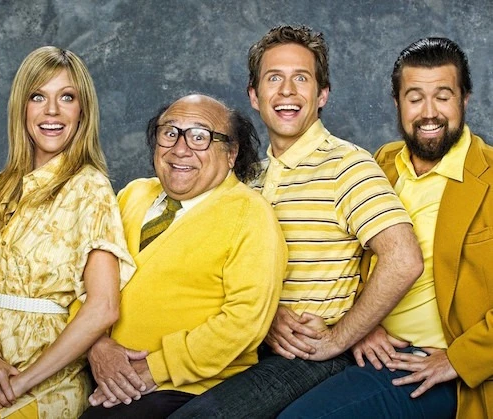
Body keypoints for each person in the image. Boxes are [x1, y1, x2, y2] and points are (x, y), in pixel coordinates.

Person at [170, 25, 424, 418]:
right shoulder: (247, 178)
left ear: (322, 95)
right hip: (244, 345)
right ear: (254, 95)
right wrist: (266, 315)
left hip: (308, 357)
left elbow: (403, 259)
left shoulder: (347, 165)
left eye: (301, 78)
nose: (287, 91)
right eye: (274, 78)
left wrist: (338, 338)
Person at [0, 46, 135, 418]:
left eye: (67, 97)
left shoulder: (90, 187)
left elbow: (103, 307)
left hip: (45, 380)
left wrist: (19, 384)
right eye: (38, 97)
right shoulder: (2, 185)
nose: (52, 111)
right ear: (22, 107)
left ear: (82, 111)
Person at [280, 37, 493, 419]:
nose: (429, 113)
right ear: (397, 103)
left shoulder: (489, 175)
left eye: (443, 96)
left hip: (438, 367)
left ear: (465, 99)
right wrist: (364, 326)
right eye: (415, 98)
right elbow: (350, 259)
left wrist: (459, 360)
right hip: (369, 350)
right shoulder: (382, 163)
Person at [79, 94, 287, 418]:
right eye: (170, 133)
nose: (180, 149)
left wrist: (154, 369)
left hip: (186, 390)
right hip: (99, 370)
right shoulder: (132, 195)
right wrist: (95, 345)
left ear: (231, 153)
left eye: (200, 137)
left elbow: (244, 322)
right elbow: (82, 278)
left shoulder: (251, 214)